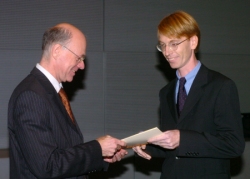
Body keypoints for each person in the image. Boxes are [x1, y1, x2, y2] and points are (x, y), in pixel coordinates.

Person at [133, 11, 245, 179]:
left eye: (174, 44)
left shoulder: (221, 86)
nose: (167, 51)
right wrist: (145, 144)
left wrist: (182, 139)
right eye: (162, 45)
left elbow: (233, 145)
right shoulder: (166, 92)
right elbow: (172, 147)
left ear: (193, 41)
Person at [8, 23, 127, 179]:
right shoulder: (31, 96)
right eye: (79, 57)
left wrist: (100, 157)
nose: (82, 65)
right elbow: (47, 166)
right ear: (57, 51)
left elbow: (63, 152)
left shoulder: (51, 92)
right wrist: (97, 148)